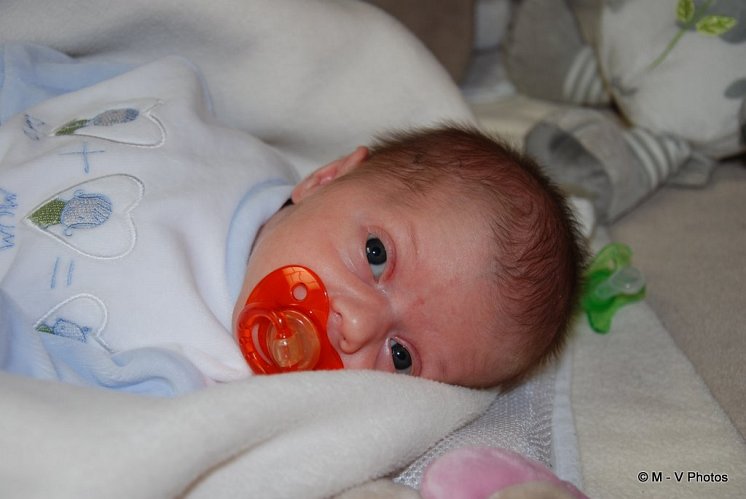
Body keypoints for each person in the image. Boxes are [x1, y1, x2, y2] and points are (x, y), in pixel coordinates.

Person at [0, 53, 586, 396]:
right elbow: (52, 84)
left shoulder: (203, 378)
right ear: (325, 179)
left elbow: (52, 412)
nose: (357, 324)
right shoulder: (211, 139)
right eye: (376, 255)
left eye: (401, 356)